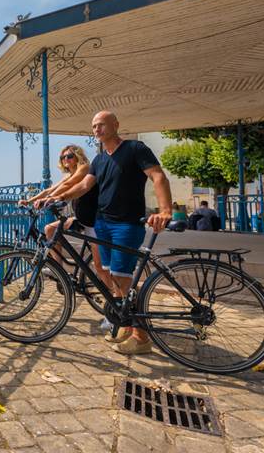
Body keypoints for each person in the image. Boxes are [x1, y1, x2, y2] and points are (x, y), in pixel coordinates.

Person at [49, 111, 172, 355]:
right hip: (102, 223)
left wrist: (165, 210)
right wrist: (60, 196)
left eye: (102, 124)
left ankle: (142, 338)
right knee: (111, 277)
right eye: (94, 126)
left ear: (116, 125)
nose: (97, 129)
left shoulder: (135, 148)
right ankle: (125, 325)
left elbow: (157, 176)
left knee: (122, 279)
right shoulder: (99, 159)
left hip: (126, 223)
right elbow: (85, 185)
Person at [19, 145, 102, 276]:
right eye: (63, 157)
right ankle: (59, 271)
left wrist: (49, 199)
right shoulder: (68, 174)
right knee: (49, 229)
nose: (66, 159)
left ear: (77, 156)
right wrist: (29, 201)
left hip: (93, 219)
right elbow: (49, 190)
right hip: (80, 217)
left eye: (69, 156)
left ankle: (121, 291)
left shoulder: (85, 168)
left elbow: (68, 185)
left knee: (101, 265)